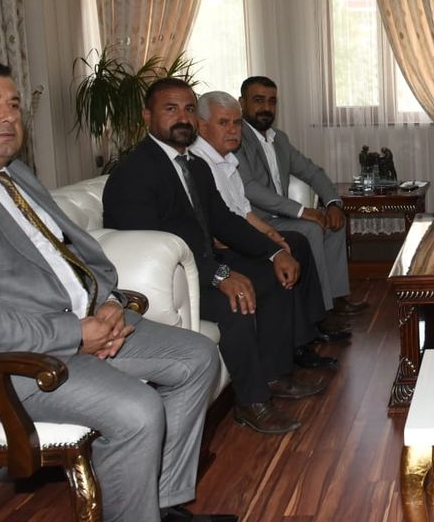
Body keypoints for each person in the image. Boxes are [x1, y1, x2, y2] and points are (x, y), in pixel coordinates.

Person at [0, 58, 232, 522]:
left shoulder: (13, 174)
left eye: (13, 104)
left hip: (74, 328)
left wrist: (107, 302)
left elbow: (77, 252)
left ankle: (161, 505)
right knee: (138, 409)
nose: (8, 116)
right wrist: (75, 334)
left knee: (197, 355)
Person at [104, 78, 327, 436]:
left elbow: (224, 220)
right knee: (235, 301)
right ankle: (252, 402)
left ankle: (275, 374)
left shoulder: (194, 165)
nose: (183, 118)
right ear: (147, 116)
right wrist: (220, 276)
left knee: (273, 275)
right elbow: (154, 250)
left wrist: (274, 252)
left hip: (201, 266)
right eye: (171, 109)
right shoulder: (134, 173)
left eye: (189, 109)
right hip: (169, 284)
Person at [188, 91, 343, 354]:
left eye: (236, 123)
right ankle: (297, 345)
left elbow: (243, 210)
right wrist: (272, 246)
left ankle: (309, 329)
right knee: (290, 249)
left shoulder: (229, 159)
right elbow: (226, 222)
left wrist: (272, 235)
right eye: (223, 123)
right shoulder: (198, 163)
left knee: (295, 243)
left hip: (244, 231)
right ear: (202, 127)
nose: (233, 130)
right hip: (224, 247)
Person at [235, 76, 365, 318]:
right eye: (258, 100)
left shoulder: (279, 139)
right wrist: (302, 211)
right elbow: (249, 188)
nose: (266, 107)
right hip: (256, 221)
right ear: (242, 103)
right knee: (311, 228)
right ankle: (322, 311)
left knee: (334, 223)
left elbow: (312, 172)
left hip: (282, 217)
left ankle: (336, 297)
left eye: (272, 101)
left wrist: (333, 203)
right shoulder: (236, 139)